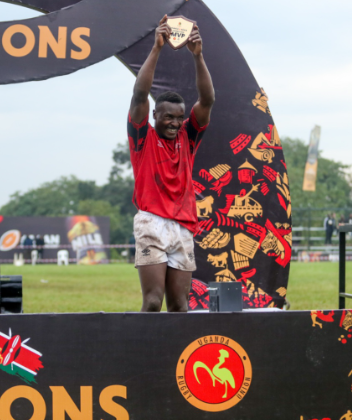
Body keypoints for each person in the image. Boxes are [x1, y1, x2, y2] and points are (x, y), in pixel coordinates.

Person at [128, 15, 214, 312]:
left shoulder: (188, 137)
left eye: (179, 117)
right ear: (154, 116)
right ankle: (141, 356)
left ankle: (174, 358)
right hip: (152, 221)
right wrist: (157, 48)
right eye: (168, 117)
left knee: (180, 307)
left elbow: (207, 99)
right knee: (153, 301)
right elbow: (140, 94)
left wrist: (198, 55)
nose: (175, 122)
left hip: (183, 226)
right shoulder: (143, 138)